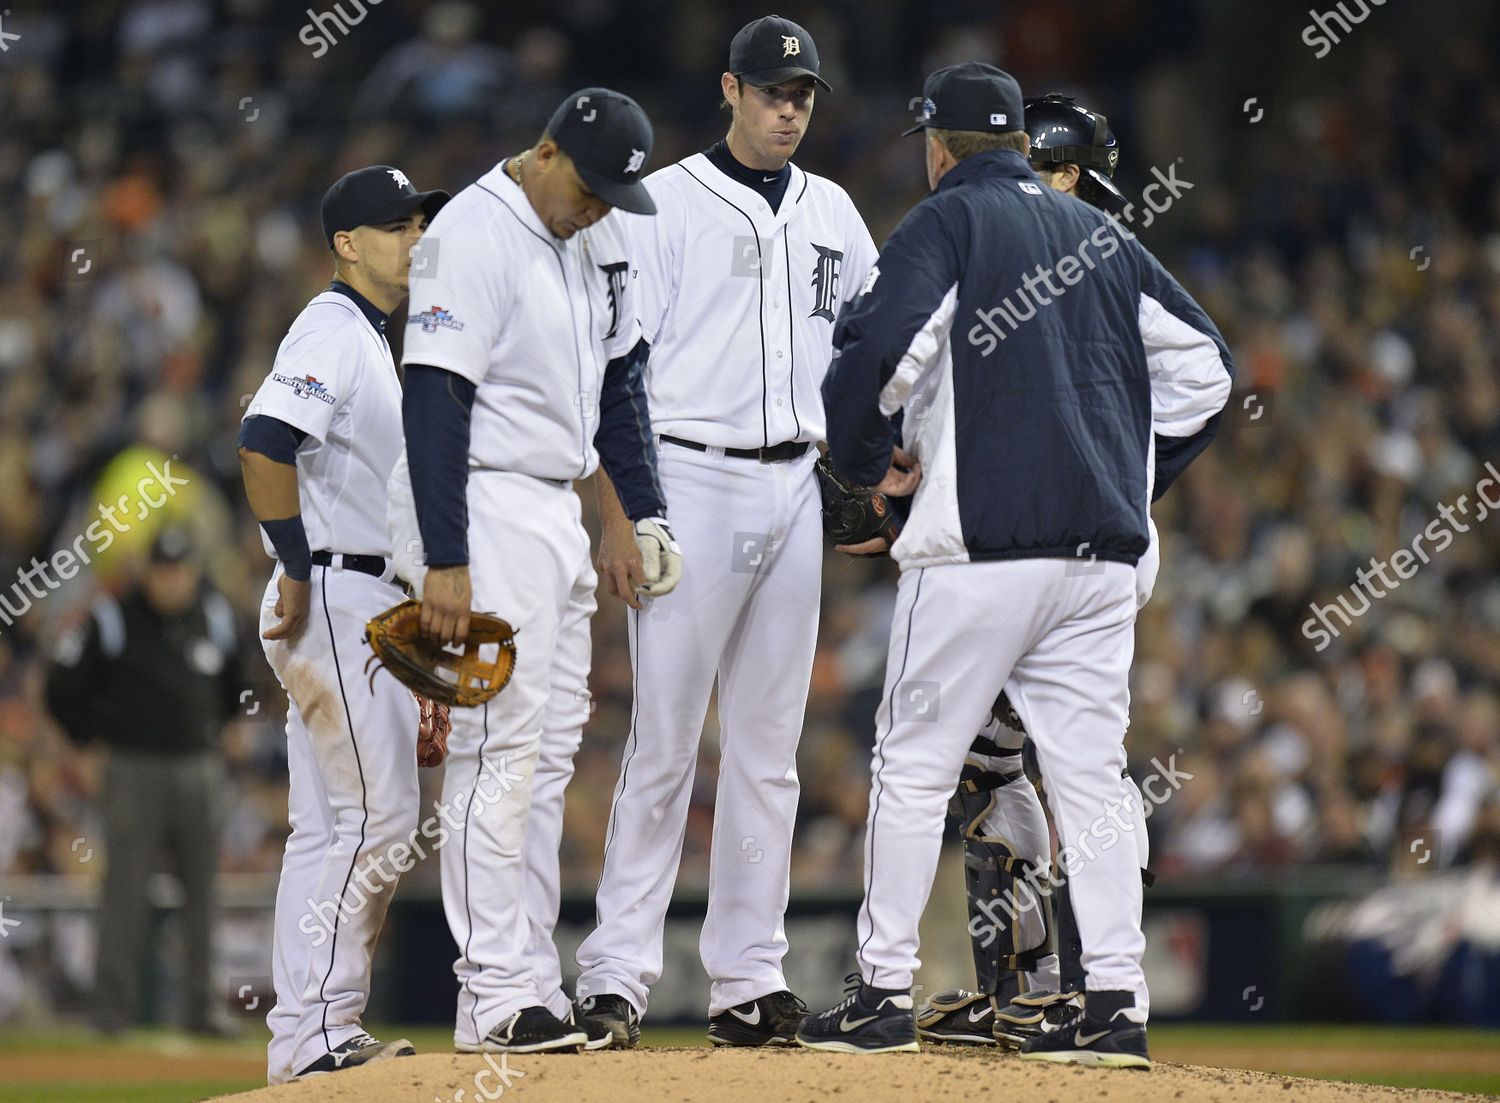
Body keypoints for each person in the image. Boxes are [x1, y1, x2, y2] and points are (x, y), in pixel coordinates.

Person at [795, 63, 1232, 1066]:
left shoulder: (948, 221)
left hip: (981, 546)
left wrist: (860, 473)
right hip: (1100, 556)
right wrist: (1123, 462)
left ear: (938, 146)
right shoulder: (1104, 237)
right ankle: (1116, 1000)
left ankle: (880, 996)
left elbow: (877, 354)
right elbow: (1208, 372)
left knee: (912, 764)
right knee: (1097, 776)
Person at [572, 15, 882, 1049]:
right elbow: (616, 364)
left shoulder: (835, 210)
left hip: (795, 483)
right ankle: (616, 972)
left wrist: (876, 469)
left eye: (801, 95)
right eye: (770, 91)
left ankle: (749, 976)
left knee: (769, 750)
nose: (788, 108)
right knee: (663, 737)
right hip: (688, 477)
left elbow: (871, 351)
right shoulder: (660, 201)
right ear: (729, 90)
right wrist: (627, 504)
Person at [390, 87, 679, 1055]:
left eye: (613, 194)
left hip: (558, 502)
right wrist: (445, 555)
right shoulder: (471, 231)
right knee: (500, 749)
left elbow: (622, 383)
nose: (599, 205)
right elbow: (434, 396)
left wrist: (639, 509)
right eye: (591, 185)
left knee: (550, 752)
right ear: (546, 151)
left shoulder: (598, 236)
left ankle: (532, 981)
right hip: (485, 499)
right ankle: (493, 996)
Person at [916, 92, 1160, 1049]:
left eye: (1055, 169)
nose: (1043, 184)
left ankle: (1060, 987)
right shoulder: (1096, 258)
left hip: (1070, 541)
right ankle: (1037, 985)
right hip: (1073, 536)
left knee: (1054, 766)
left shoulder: (1089, 257)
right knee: (1017, 764)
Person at [238, 164, 448, 1083]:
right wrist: (289, 562)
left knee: (328, 827)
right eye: (396, 227)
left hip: (355, 594)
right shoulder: (331, 327)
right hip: (332, 591)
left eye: (417, 224)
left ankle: (302, 1037)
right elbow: (263, 438)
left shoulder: (367, 336)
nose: (414, 239)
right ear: (347, 244)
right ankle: (321, 1031)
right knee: (380, 814)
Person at [44, 526, 242, 1037]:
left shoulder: (214, 613)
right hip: (132, 768)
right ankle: (110, 1015)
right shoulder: (113, 616)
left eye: (180, 571)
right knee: (124, 893)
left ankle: (202, 1010)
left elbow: (239, 682)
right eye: (163, 571)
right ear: (147, 572)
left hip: (199, 765)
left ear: (192, 571)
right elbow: (61, 687)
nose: (172, 581)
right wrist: (85, 743)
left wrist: (228, 729)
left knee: (204, 893)